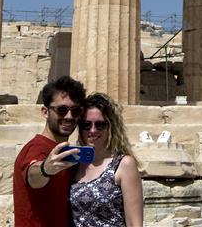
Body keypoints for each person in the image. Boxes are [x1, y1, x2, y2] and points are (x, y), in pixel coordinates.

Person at [13, 75, 87, 226]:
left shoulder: (65, 151)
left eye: (75, 111)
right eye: (61, 110)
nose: (69, 116)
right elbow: (33, 176)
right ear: (45, 112)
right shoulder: (37, 148)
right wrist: (45, 169)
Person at [70, 92, 144, 226]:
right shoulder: (74, 165)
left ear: (111, 127)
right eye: (86, 125)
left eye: (100, 125)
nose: (92, 130)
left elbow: (134, 223)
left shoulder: (124, 164)